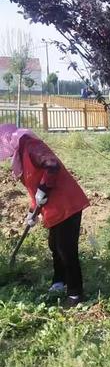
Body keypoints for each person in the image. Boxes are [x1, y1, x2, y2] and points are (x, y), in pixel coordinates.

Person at [0, 124, 90, 305]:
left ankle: (75, 294)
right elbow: (34, 186)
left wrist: (44, 188)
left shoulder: (31, 146)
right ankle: (59, 281)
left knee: (66, 249)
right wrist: (32, 212)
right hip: (53, 207)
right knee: (54, 246)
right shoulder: (21, 154)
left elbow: (52, 165)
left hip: (67, 203)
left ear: (9, 140)